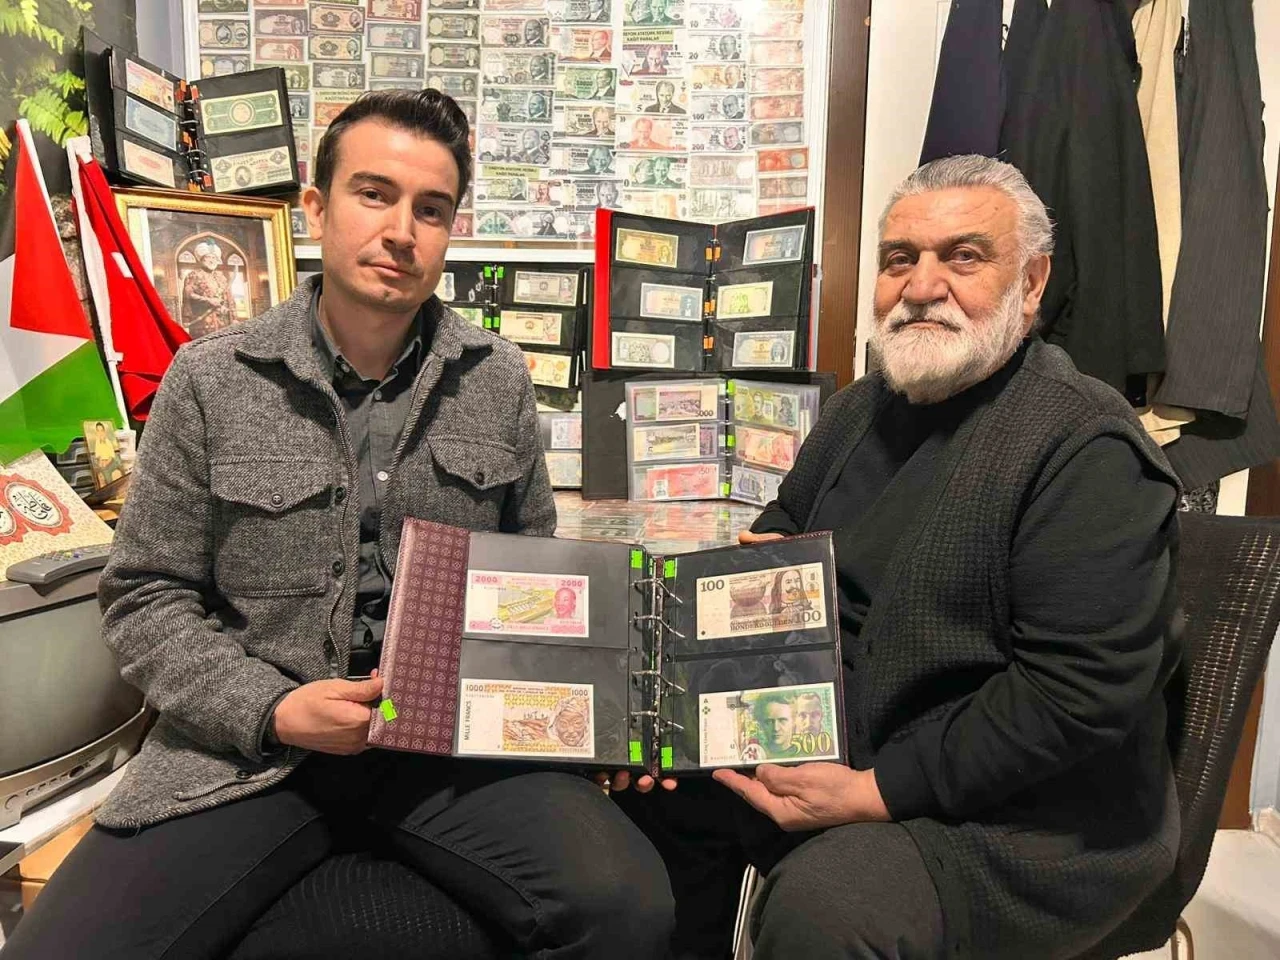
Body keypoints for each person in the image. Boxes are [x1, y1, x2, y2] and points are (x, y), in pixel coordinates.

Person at [4, 89, 674, 960]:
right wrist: (273, 707)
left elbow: (539, 584)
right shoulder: (211, 379)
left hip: (450, 753)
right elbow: (145, 598)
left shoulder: (497, 377)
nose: (401, 231)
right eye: (374, 194)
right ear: (316, 209)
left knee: (628, 906)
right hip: (248, 752)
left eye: (430, 209)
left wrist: (605, 716)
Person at [616, 155, 1182, 960]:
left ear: (1031, 283)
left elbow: (1073, 696)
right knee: (634, 814)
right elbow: (782, 528)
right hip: (832, 747)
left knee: (830, 907)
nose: (921, 286)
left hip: (1023, 820)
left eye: (963, 257)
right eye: (898, 259)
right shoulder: (860, 409)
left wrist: (872, 792)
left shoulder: (1085, 447)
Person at [180, 239, 237, 337]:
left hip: (223, 322)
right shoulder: (193, 275)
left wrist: (234, 317)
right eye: (208, 257)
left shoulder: (221, 277)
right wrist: (209, 300)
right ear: (202, 259)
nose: (211, 260)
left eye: (214, 258)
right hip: (202, 322)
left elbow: (229, 297)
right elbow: (188, 295)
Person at [89, 421, 125, 487]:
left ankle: (112, 485)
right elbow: (98, 455)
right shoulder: (97, 442)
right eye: (98, 431)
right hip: (103, 462)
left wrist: (106, 463)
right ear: (96, 432)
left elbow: (111, 456)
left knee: (107, 472)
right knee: (99, 472)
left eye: (101, 430)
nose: (100, 433)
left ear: (104, 432)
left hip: (111, 462)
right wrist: (101, 462)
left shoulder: (108, 442)